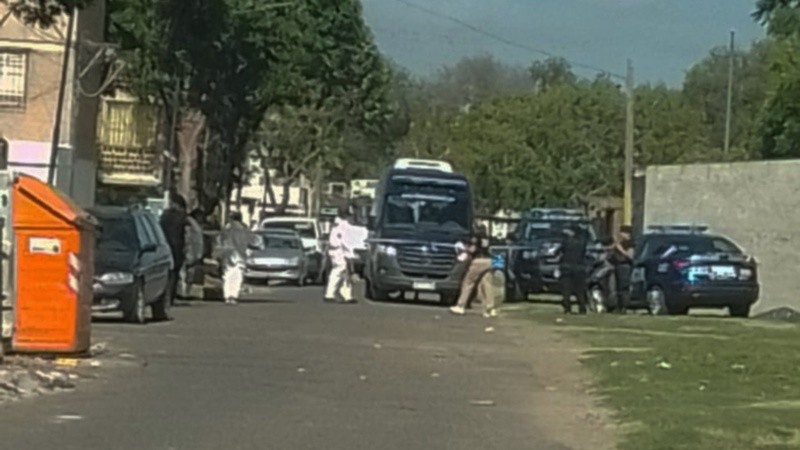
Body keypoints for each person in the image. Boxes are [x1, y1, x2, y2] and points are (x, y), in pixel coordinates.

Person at [450, 224, 498, 318]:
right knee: (487, 284)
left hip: (478, 261)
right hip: (489, 260)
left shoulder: (477, 238)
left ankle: (461, 305)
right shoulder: (488, 239)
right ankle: (491, 308)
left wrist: (463, 248)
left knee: (468, 281)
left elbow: (473, 249)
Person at [215, 211, 259, 305]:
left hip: (227, 254)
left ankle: (227, 296)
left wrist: (219, 253)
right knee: (237, 275)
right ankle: (233, 296)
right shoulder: (244, 229)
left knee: (227, 275)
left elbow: (219, 241)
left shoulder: (226, 229)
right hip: (240, 254)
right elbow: (254, 240)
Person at [160, 193, 188, 304]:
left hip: (165, 246)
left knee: (167, 272)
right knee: (174, 274)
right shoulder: (182, 217)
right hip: (177, 248)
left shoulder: (165, 216)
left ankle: (165, 295)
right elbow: (187, 234)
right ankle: (170, 296)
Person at [324, 208, 356, 304]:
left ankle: (346, 295)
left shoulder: (335, 225)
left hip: (334, 250)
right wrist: (350, 254)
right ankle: (330, 294)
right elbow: (346, 242)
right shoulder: (344, 226)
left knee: (344, 273)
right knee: (340, 270)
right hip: (339, 251)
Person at [559, 224, 589, 314]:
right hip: (579, 268)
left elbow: (561, 251)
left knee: (566, 289)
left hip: (567, 267)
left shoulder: (566, 241)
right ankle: (582, 307)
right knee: (579, 290)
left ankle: (567, 307)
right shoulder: (582, 241)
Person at [180, 208, 205, 298]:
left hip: (193, 252)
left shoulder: (195, 224)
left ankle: (185, 291)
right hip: (189, 250)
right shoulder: (190, 223)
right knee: (184, 272)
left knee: (189, 273)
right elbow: (189, 237)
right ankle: (183, 291)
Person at [609, 225, 634, 314]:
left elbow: (630, 256)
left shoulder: (630, 243)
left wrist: (620, 249)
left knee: (624, 287)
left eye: (622, 232)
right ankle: (618, 306)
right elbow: (611, 248)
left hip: (625, 266)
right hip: (617, 266)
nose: (620, 234)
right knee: (618, 287)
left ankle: (624, 307)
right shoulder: (620, 242)